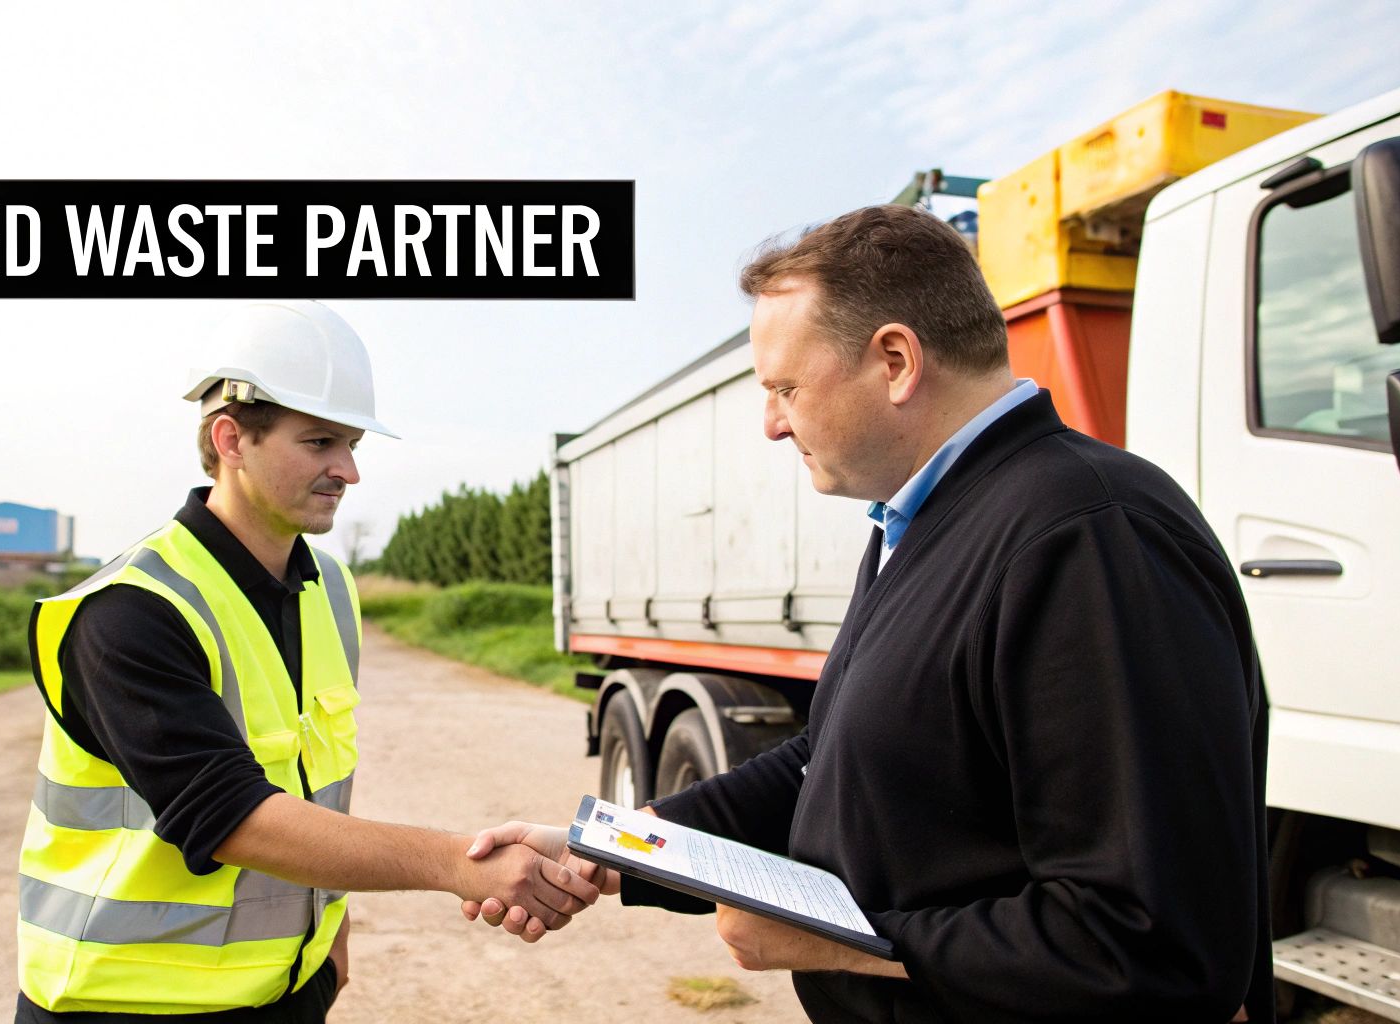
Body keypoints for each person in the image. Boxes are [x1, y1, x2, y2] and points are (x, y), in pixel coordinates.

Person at [465, 206, 1271, 1023]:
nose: (772, 423)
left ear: (894, 360)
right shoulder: (916, 524)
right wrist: (611, 848)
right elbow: (829, 761)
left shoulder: (1087, 537)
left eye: (785, 388)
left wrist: (837, 944)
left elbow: (1152, 945)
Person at [15, 301, 600, 1023]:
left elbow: (311, 785)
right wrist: (458, 863)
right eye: (321, 442)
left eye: (352, 443)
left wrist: (326, 939)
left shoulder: (332, 587)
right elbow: (231, 817)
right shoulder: (131, 610)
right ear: (231, 438)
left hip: (287, 993)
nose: (348, 470)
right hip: (125, 1007)